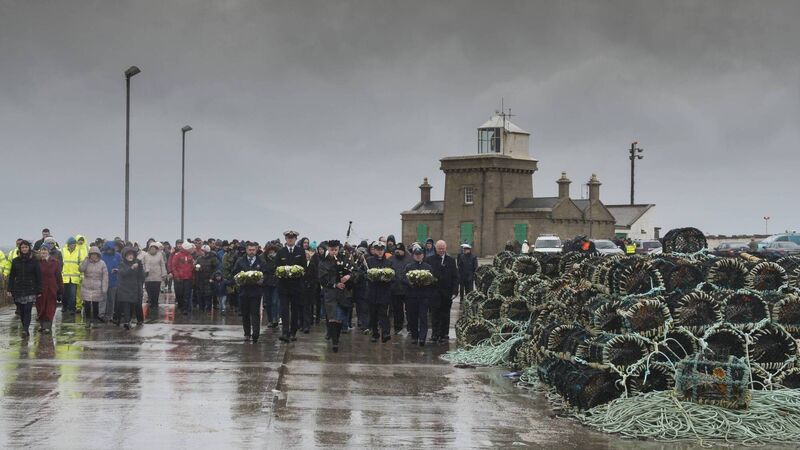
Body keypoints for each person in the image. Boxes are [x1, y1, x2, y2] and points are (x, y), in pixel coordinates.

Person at [317, 240, 353, 352]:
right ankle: (335, 342)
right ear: (328, 249)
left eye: (336, 250)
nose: (334, 252)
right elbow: (322, 279)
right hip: (330, 293)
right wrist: (335, 284)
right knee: (332, 317)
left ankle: (336, 336)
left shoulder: (345, 260)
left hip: (343, 294)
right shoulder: (323, 262)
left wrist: (348, 276)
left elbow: (355, 271)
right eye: (332, 250)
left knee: (339, 318)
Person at [275, 230, 307, 343]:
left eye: (292, 238)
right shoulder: (281, 252)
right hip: (283, 286)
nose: (290, 240)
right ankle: (285, 332)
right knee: (284, 309)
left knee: (295, 310)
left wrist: (297, 272)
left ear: (295, 239)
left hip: (296, 286)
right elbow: (276, 267)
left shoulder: (300, 251)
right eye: (288, 238)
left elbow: (304, 267)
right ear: (285, 239)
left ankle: (293, 332)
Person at [426, 240, 459, 344]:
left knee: (445, 314)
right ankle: (435, 334)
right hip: (434, 292)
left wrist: (455, 291)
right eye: (439, 248)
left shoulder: (451, 260)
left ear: (446, 248)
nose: (441, 250)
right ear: (436, 249)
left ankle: (444, 334)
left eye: (443, 248)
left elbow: (455, 277)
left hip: (447, 292)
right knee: (434, 314)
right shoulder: (429, 260)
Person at [233, 242, 267, 343]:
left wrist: (261, 280)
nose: (251, 252)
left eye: (253, 250)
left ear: (256, 250)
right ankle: (247, 333)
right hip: (244, 291)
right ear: (246, 250)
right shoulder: (240, 261)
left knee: (255, 313)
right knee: (245, 314)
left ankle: (256, 333)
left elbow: (266, 273)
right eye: (250, 250)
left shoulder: (261, 261)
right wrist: (240, 279)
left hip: (256, 291)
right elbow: (234, 273)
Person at [7, 240, 41, 338]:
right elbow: (12, 276)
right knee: (21, 311)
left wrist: (39, 290)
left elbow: (38, 276)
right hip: (18, 288)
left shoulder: (34, 261)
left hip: (30, 288)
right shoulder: (15, 261)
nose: (24, 249)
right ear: (20, 249)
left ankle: (25, 330)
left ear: (29, 248)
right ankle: (24, 327)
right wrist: (9, 289)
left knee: (27, 309)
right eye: (22, 247)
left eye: (26, 247)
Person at [403, 244, 434, 346]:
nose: (418, 256)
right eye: (416, 254)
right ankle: (414, 336)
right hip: (412, 296)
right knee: (413, 317)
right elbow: (403, 279)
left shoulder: (428, 267)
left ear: (423, 255)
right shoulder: (409, 267)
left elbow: (432, 280)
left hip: (424, 296)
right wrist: (410, 283)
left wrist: (426, 282)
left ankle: (422, 337)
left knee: (423, 317)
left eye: (420, 254)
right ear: (413, 255)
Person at [366, 241, 393, 343]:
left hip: (384, 292)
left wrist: (388, 279)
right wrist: (370, 277)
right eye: (378, 249)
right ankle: (375, 333)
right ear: (374, 250)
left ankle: (385, 333)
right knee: (373, 314)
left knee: (383, 313)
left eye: (381, 249)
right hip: (372, 292)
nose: (380, 251)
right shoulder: (369, 261)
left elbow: (393, 276)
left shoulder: (389, 262)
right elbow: (363, 273)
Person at [79, 246, 108, 327]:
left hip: (97, 287)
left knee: (95, 305)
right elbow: (81, 269)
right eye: (92, 254)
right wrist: (85, 261)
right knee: (87, 304)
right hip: (86, 286)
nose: (94, 256)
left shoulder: (102, 263)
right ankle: (87, 320)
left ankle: (95, 320)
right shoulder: (87, 262)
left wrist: (104, 288)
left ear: (98, 255)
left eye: (95, 254)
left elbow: (105, 276)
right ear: (90, 255)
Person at [36, 244, 62, 334]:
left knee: (50, 307)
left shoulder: (55, 262)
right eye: (42, 250)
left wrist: (60, 290)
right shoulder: (37, 262)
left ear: (48, 251)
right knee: (40, 307)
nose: (43, 252)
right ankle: (42, 325)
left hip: (51, 288)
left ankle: (47, 326)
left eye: (45, 250)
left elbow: (58, 277)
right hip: (40, 288)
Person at [116, 247, 144, 329]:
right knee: (126, 305)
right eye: (128, 255)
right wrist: (131, 268)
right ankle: (127, 321)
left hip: (134, 288)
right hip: (124, 288)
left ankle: (131, 320)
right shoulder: (122, 264)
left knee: (132, 305)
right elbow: (123, 274)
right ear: (125, 256)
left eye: (132, 255)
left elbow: (142, 276)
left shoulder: (137, 263)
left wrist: (140, 267)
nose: (130, 256)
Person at [61, 236, 85, 315]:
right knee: (64, 294)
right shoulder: (63, 251)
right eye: (72, 244)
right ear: (68, 244)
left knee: (73, 294)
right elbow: (60, 263)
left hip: (74, 277)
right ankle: (64, 307)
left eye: (74, 244)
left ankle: (72, 309)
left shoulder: (78, 252)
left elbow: (81, 264)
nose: (74, 245)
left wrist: (82, 275)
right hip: (65, 277)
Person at [170, 242, 196, 315]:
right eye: (190, 248)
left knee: (187, 294)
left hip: (188, 278)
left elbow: (191, 266)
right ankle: (180, 306)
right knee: (179, 294)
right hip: (179, 278)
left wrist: (194, 268)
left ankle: (185, 309)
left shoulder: (190, 256)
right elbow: (174, 266)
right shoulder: (177, 255)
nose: (191, 249)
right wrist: (176, 276)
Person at [100, 242, 122, 323]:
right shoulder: (101, 255)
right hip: (103, 281)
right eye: (108, 249)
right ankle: (102, 315)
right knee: (103, 299)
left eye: (111, 249)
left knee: (111, 299)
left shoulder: (118, 256)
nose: (109, 251)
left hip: (114, 281)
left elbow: (122, 266)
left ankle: (110, 315)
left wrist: (117, 270)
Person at [389, 242, 408, 334]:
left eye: (400, 250)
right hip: (395, 289)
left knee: (409, 310)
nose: (398, 251)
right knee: (397, 310)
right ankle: (398, 327)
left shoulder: (409, 259)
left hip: (407, 289)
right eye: (396, 250)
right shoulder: (390, 259)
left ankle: (410, 327)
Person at [141, 242, 168, 308]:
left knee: (156, 290)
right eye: (151, 248)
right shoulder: (145, 255)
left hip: (157, 276)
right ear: (149, 249)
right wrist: (144, 270)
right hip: (148, 276)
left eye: (154, 248)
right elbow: (142, 264)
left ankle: (155, 303)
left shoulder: (160, 255)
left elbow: (162, 265)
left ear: (156, 249)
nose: (153, 250)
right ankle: (151, 301)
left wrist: (164, 274)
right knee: (149, 289)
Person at [194, 244, 219, 312]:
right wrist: (197, 268)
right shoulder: (199, 258)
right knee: (200, 295)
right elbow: (195, 266)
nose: (201, 252)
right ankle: (201, 308)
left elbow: (216, 269)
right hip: (200, 280)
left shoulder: (213, 259)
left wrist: (212, 278)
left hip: (209, 280)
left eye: (202, 251)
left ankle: (208, 309)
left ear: (206, 252)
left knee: (208, 295)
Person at [262, 242, 280, 327]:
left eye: (273, 251)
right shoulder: (264, 260)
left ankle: (275, 318)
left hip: (276, 283)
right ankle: (270, 320)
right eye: (270, 251)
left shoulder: (278, 260)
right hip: (267, 284)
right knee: (268, 302)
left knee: (274, 302)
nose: (272, 253)